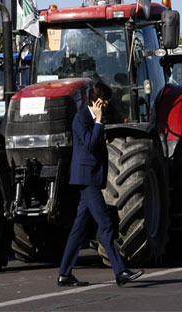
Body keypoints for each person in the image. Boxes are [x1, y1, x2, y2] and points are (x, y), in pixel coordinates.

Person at [58, 81, 144, 288]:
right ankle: (120, 271)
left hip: (90, 177)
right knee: (105, 224)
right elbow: (88, 145)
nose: (106, 104)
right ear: (96, 100)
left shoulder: (89, 118)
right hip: (86, 179)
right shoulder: (82, 118)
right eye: (104, 100)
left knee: (78, 229)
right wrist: (98, 122)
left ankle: (64, 274)